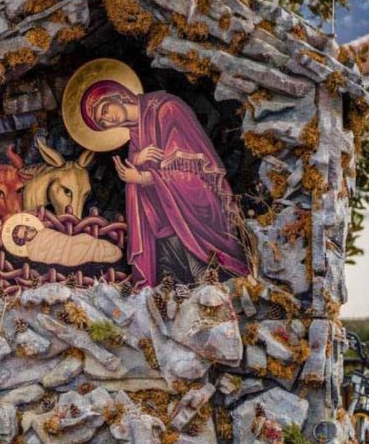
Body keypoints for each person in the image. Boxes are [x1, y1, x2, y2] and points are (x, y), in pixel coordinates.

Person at [61, 58, 249, 287]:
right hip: (165, 227)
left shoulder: (167, 109)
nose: (108, 119)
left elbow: (192, 171)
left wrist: (142, 177)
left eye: (105, 110)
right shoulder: (135, 139)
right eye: (103, 123)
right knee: (172, 285)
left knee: (205, 279)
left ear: (117, 96)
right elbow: (140, 199)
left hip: (196, 215)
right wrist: (136, 167)